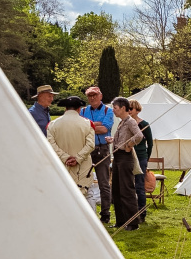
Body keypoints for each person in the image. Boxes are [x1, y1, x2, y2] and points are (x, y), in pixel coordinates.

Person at [46, 96, 95, 195]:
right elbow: (90, 145)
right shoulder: (87, 124)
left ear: (65, 108)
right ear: (79, 109)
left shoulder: (52, 124)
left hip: (61, 166)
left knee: (62, 195)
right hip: (82, 168)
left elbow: (51, 145)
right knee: (83, 197)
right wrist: (77, 158)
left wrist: (65, 157)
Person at [80, 86, 115, 224]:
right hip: (86, 149)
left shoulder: (108, 110)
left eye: (95, 95)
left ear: (100, 96)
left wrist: (88, 126)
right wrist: (96, 125)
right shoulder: (83, 110)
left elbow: (105, 128)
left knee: (103, 183)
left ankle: (105, 214)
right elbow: (81, 129)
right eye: (90, 96)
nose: (92, 98)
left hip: (102, 149)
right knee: (82, 181)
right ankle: (85, 211)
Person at [109, 97, 143, 230]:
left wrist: (129, 144)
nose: (114, 111)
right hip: (117, 158)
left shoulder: (130, 121)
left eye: (115, 108)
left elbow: (139, 135)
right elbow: (124, 137)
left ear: (123, 108)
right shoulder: (122, 122)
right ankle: (121, 221)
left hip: (125, 158)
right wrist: (113, 140)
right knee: (116, 190)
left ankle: (133, 223)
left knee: (126, 190)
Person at [129, 99, 154, 223]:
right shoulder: (125, 123)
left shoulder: (144, 124)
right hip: (128, 157)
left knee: (139, 186)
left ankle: (141, 213)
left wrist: (146, 158)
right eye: (127, 108)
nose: (129, 111)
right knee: (128, 185)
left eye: (131, 109)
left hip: (140, 157)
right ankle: (130, 212)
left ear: (137, 110)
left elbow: (150, 143)